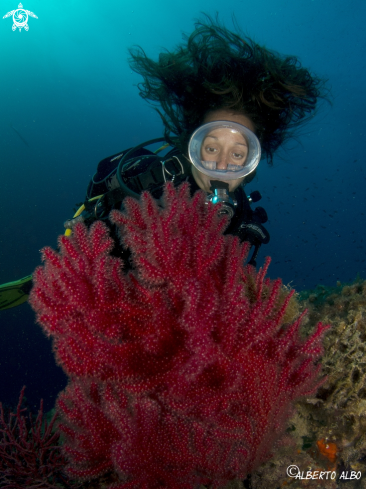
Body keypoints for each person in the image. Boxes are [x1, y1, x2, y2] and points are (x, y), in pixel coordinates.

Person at [0, 15, 327, 311]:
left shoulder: (242, 218)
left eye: (238, 155)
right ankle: (37, 283)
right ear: (191, 147)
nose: (221, 166)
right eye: (211, 149)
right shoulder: (152, 183)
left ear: (251, 166)